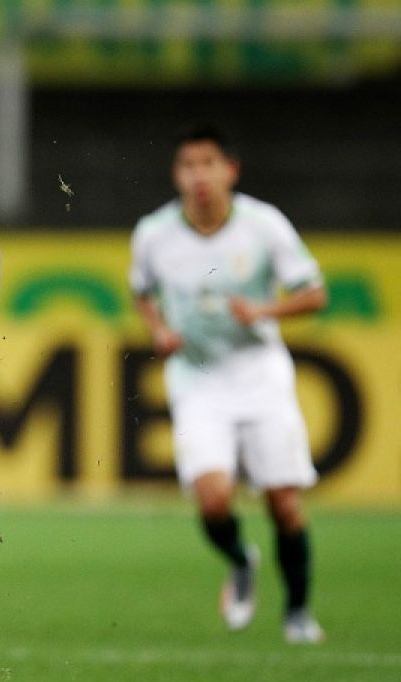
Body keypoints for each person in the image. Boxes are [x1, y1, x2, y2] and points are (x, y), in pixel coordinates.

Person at [129, 123, 328, 645]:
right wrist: (159, 330)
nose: (198, 176)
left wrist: (264, 308)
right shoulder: (154, 233)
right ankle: (242, 560)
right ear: (177, 174)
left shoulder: (263, 225)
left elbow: (314, 292)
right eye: (187, 166)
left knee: (284, 503)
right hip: (197, 378)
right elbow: (142, 291)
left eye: (208, 164)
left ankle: (299, 612)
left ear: (230, 170)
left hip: (259, 372)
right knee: (213, 499)